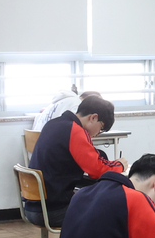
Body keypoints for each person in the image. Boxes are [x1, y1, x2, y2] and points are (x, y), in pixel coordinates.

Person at [23, 95, 125, 227]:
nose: (97, 134)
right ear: (93, 118)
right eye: (101, 128)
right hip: (53, 211)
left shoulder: (54, 124)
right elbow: (98, 170)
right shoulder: (75, 131)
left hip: (34, 207)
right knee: (111, 211)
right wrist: (120, 165)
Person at [32, 88, 101, 132]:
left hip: (36, 147)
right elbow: (76, 131)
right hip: (51, 149)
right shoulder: (76, 105)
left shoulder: (60, 101)